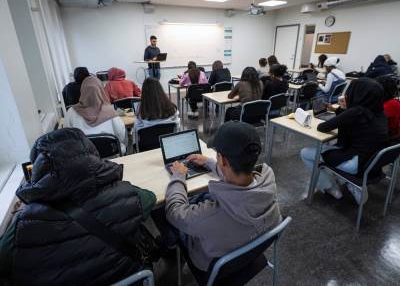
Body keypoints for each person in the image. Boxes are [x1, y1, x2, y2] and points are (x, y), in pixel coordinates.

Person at [0, 128, 157, 285]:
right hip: (127, 278)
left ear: (39, 168)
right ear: (91, 154)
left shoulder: (23, 224)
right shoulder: (125, 193)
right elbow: (150, 198)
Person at [164, 121, 282, 273]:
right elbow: (238, 174)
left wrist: (179, 176)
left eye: (218, 154)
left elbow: (174, 212)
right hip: (250, 253)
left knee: (164, 214)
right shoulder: (268, 182)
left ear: (223, 160)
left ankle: (168, 246)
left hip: (213, 266)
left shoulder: (211, 214)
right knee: (203, 196)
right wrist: (209, 162)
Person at [301, 78, 388, 204]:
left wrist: (344, 109)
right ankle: (348, 182)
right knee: (330, 151)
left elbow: (323, 127)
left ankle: (331, 188)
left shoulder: (356, 112)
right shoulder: (380, 113)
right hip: (371, 164)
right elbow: (351, 123)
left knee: (306, 153)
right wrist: (343, 109)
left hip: (354, 164)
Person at [64, 76, 127, 154]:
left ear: (82, 91)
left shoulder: (71, 112)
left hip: (84, 160)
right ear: (101, 91)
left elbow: (67, 138)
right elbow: (121, 136)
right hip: (111, 158)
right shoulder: (110, 112)